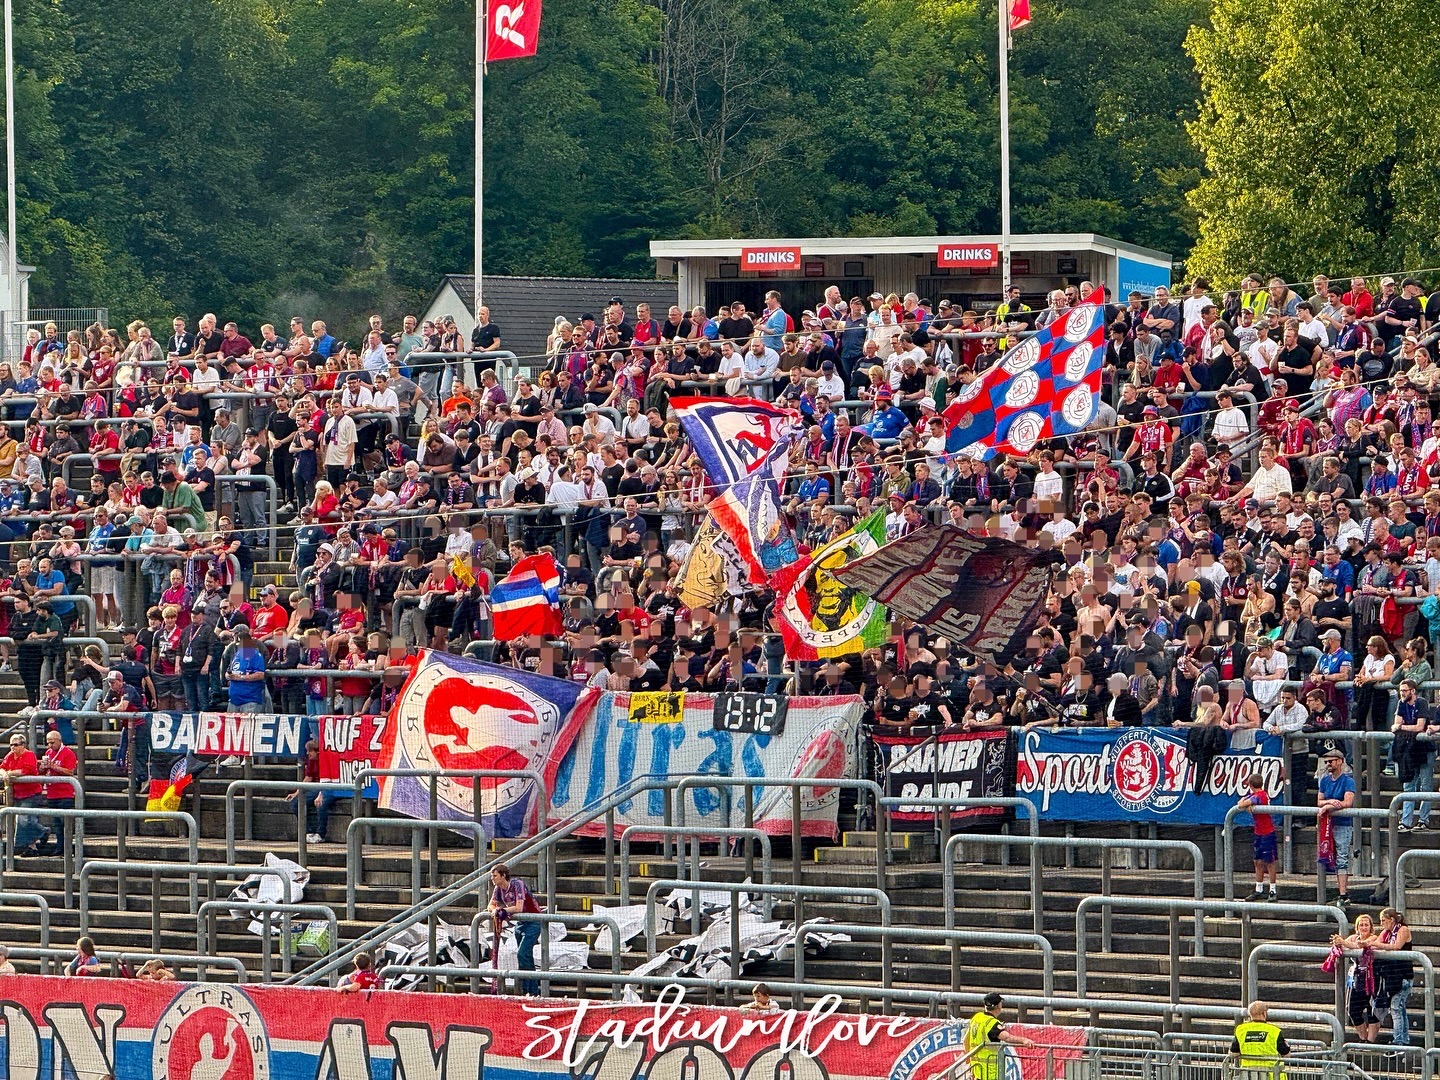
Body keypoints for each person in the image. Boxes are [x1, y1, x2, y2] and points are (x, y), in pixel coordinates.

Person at [489, 862, 542, 996]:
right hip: (520, 923)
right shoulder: (498, 889)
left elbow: (519, 907)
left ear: (503, 876)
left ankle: (532, 990)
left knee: (522, 954)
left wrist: (503, 911)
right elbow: (490, 906)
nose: (492, 879)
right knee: (525, 958)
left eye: (495, 876)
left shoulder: (517, 884)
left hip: (533, 921)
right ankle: (529, 991)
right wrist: (496, 910)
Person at [1330, 914, 1382, 1044]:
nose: (1363, 927)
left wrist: (1343, 942)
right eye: (1361, 925)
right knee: (1352, 1009)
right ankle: (1363, 1038)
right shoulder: (1353, 937)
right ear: (1357, 927)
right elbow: (1344, 945)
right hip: (1357, 977)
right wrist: (1337, 942)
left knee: (1372, 1010)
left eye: (1366, 925)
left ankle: (1370, 1041)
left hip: (1372, 977)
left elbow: (1360, 946)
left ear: (1371, 927)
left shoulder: (1374, 938)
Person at [1317, 743, 1357, 908]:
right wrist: (1330, 803)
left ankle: (1343, 894)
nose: (1328, 764)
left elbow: (1347, 802)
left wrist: (1328, 806)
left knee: (1341, 858)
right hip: (1327, 824)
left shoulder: (1348, 781)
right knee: (1326, 856)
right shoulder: (1324, 780)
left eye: (1331, 761)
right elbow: (1319, 801)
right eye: (1326, 762)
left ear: (1340, 761)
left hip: (1343, 824)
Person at [964, 992, 1035, 1080]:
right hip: (990, 1075)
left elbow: (965, 1040)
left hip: (977, 1073)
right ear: (998, 1006)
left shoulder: (977, 1018)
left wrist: (969, 1063)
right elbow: (1007, 1037)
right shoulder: (991, 1023)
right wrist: (1024, 1040)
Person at [1373, 908, 1414, 1047]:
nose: (1381, 923)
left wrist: (1376, 944)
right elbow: (1376, 943)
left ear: (1392, 920)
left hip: (1403, 975)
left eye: (1383, 920)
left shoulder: (1403, 929)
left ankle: (1398, 1041)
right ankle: (1404, 1040)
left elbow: (1396, 946)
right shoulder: (1386, 933)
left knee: (1396, 1007)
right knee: (1399, 1008)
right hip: (1393, 975)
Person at [1237, 771, 1278, 901]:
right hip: (1259, 832)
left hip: (1267, 832)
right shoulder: (1255, 795)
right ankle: (1259, 889)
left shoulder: (1260, 796)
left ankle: (1272, 890)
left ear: (1250, 785)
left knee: (1269, 861)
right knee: (1258, 861)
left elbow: (1241, 804)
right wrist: (1248, 804)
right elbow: (1242, 801)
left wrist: (1247, 804)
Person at [0, 732, 42, 856]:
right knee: (26, 820)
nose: (13, 747)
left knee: (23, 820)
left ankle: (21, 845)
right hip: (18, 794)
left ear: (23, 745)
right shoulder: (10, 755)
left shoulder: (29, 755)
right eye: (11, 745)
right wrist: (4, 773)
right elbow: (2, 767)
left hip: (31, 793)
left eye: (16, 745)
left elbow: (25, 771)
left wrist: (10, 773)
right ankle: (37, 840)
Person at [37, 728, 77, 856]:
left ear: (59, 741)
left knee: (65, 823)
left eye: (52, 742)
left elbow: (70, 772)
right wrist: (42, 768)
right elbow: (43, 772)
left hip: (65, 794)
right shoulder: (48, 753)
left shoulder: (68, 753)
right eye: (48, 742)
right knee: (57, 825)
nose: (50, 745)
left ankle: (68, 849)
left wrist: (53, 766)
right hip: (52, 793)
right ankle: (60, 848)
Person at [1231, 1001, 1289, 1071]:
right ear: (1264, 1013)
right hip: (1271, 1074)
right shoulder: (1274, 1031)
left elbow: (1233, 1053)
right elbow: (1286, 1054)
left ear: (1250, 1014)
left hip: (1248, 1073)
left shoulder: (1241, 1030)